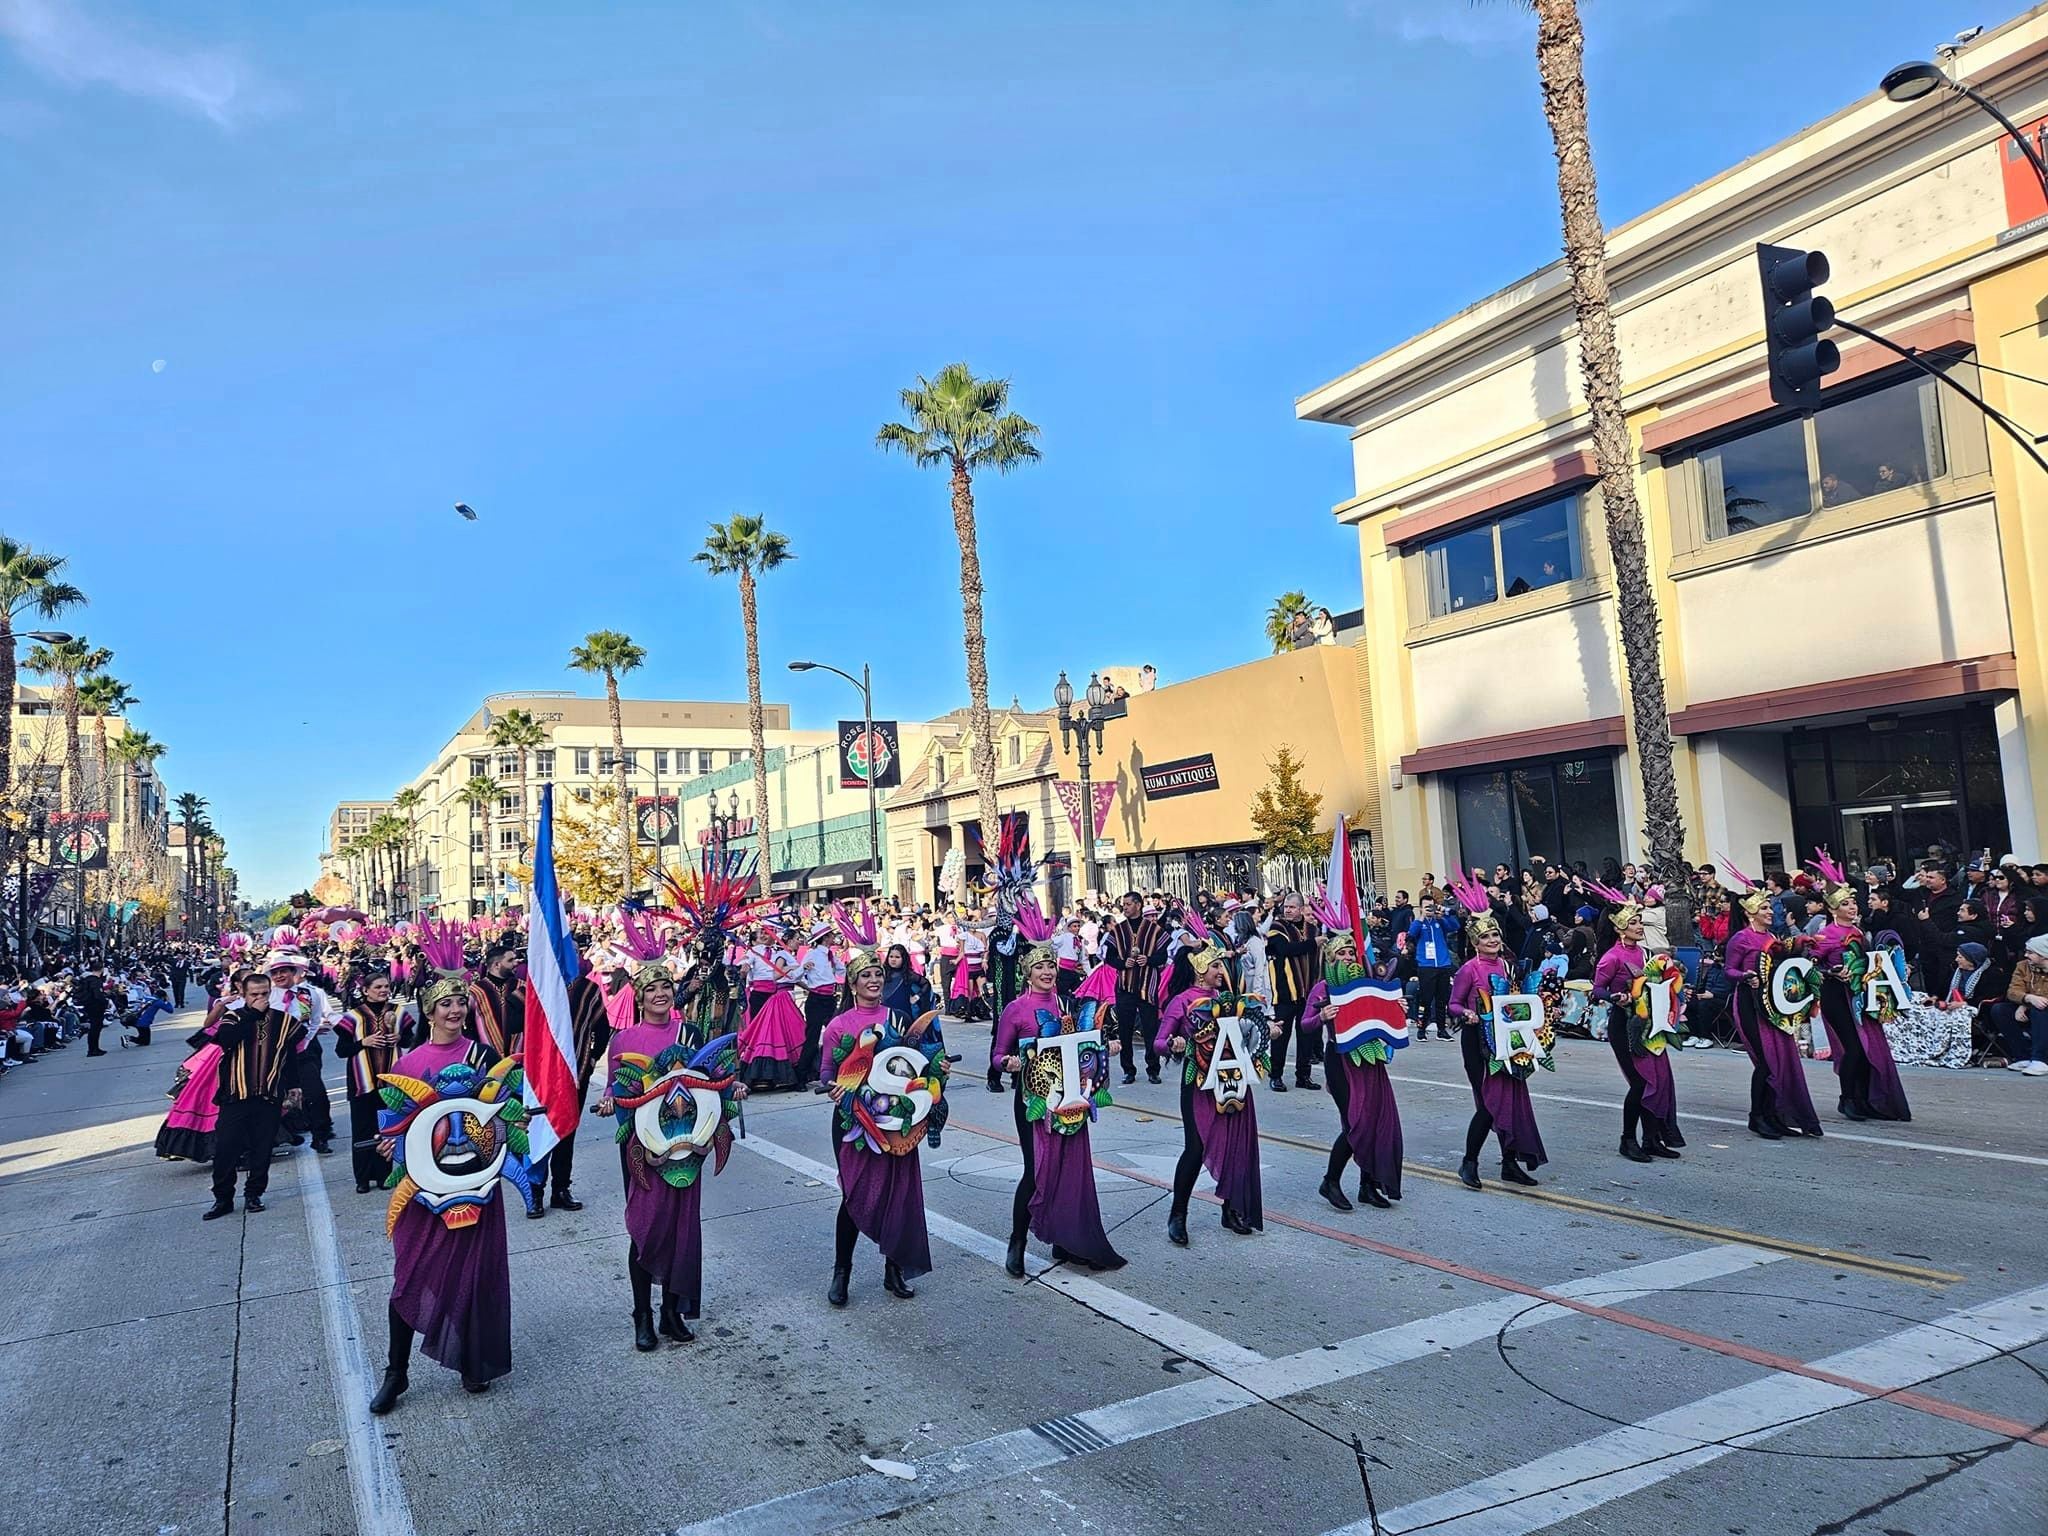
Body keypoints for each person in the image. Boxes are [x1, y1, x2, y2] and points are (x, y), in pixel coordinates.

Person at [367, 977, 521, 1413]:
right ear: (429, 1012)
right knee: (411, 1275)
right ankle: (396, 1374)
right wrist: (388, 1144)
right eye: (445, 1004)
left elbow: (504, 1115)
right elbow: (394, 1129)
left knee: (477, 1272)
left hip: (476, 1186)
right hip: (423, 1193)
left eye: (460, 1003)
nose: (454, 1011)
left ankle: (475, 1362)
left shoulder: (484, 1057)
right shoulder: (409, 1064)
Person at [597, 963, 745, 1350]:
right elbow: (617, 1087)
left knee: (681, 1227)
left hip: (687, 1144)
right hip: (642, 1147)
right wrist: (608, 1098)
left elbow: (707, 1079)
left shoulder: (688, 1033)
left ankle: (670, 1311)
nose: (660, 994)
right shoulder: (624, 1039)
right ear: (640, 997)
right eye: (651, 989)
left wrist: (733, 1087)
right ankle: (642, 1314)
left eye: (665, 986)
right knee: (646, 1228)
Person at [992, 947, 1125, 1275]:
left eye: (1051, 965)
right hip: (1033, 1103)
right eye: (1040, 966)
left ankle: (1067, 1241)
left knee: (1072, 1172)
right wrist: (1007, 1063)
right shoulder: (1016, 1009)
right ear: (1028, 972)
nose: (1047, 971)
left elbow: (1085, 1045)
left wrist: (1104, 1047)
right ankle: (1017, 1241)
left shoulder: (1067, 1004)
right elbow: (997, 1054)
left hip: (1071, 1100)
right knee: (1036, 1171)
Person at [819, 950, 935, 1305]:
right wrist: (834, 1087)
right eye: (865, 976)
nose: (873, 981)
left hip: (898, 1120)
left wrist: (933, 1080)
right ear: (852, 984)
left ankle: (894, 1268)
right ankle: (842, 1271)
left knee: (899, 1196)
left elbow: (920, 1064)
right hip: (853, 1123)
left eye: (877, 975)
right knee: (854, 1197)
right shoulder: (839, 1025)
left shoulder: (899, 1020)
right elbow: (825, 1072)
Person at [1155, 946, 1276, 1243]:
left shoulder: (1229, 1001)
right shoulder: (1182, 1002)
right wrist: (1174, 1045)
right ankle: (1178, 1214)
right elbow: (1158, 1041)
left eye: (1221, 968)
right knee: (1195, 1149)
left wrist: (1267, 1030)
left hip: (1233, 1083)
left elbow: (1249, 1034)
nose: (1221, 972)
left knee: (1237, 1147)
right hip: (1199, 1085)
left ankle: (1231, 1208)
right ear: (1200, 970)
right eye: (1216, 968)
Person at [1448, 914, 1545, 1191]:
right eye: (1486, 937)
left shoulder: (1507, 966)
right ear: (1476, 943)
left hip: (1507, 1041)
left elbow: (1517, 1001)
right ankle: (1469, 1162)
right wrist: (1466, 1012)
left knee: (1511, 1102)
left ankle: (1509, 1163)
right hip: (1477, 1041)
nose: (1492, 940)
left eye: (1495, 935)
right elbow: (1452, 1004)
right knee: (1491, 1104)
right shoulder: (1469, 969)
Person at [1309, 931, 1404, 1210]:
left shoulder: (1369, 985)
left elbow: (1385, 1021)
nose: (1348, 957)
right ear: (1330, 957)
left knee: (1377, 1121)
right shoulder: (1323, 988)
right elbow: (1304, 1024)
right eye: (1341, 953)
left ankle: (1368, 1185)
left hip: (1370, 1060)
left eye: (1351, 953)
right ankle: (1331, 1181)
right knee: (1356, 1123)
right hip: (1340, 1060)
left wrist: (1398, 1007)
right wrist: (1321, 1016)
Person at [203, 969, 306, 1221]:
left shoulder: (284, 1021)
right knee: (227, 1148)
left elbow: (289, 1055)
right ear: (243, 994)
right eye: (254, 994)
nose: (260, 998)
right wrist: (251, 1014)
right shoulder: (233, 1017)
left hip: (268, 1095)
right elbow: (225, 1040)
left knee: (262, 1149)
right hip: (236, 1095)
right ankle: (223, 1198)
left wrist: (294, 1085)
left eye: (264, 993)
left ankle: (254, 1194)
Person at [1723, 891, 1821, 1139]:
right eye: (1765, 908)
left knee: (1779, 1062)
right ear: (1749, 912)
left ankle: (1775, 1116)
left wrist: (1801, 943)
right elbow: (1729, 970)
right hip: (1749, 1003)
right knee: (1765, 1063)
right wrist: (1745, 976)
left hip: (1774, 1005)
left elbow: (1781, 960)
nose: (1770, 912)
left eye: (1770, 908)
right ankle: (1757, 1117)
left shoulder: (1770, 936)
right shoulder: (1740, 938)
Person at [1593, 907, 1685, 1163]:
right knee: (1641, 1083)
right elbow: (1597, 989)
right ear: (1619, 928)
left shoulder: (1645, 954)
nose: (1639, 926)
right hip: (1625, 1027)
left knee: (1660, 1080)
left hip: (1649, 1026)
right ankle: (1628, 1139)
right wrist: (1615, 997)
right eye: (1633, 923)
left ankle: (1652, 1139)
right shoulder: (1611, 957)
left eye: (1639, 922)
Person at [1812, 887, 1912, 1122]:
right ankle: (1847, 1098)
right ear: (1832, 908)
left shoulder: (1858, 930)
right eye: (1845, 903)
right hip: (1836, 996)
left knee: (1867, 1049)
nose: (1852, 907)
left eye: (1853, 902)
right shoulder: (1827, 934)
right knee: (1854, 1048)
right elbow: (1809, 965)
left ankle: (1865, 1099)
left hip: (1861, 994)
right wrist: (1832, 972)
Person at [332, 970, 407, 1193]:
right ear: (365, 991)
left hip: (391, 1081)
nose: (383, 990)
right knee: (363, 1130)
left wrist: (400, 1038)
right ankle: (362, 1178)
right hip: (362, 1082)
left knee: (386, 1128)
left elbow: (413, 1038)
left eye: (386, 986)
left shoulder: (398, 1012)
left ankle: (384, 1175)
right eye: (378, 987)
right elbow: (341, 1051)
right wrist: (364, 1042)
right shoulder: (353, 1017)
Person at [268, 949, 335, 1155]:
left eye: (284, 971)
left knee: (315, 1094)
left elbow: (315, 1020)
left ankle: (321, 1136)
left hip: (303, 1051)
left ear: (293, 972)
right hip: (275, 1054)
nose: (279, 976)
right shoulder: (268, 996)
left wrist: (305, 1041)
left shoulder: (308, 994)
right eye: (275, 973)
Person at [1101, 891, 1168, 1085]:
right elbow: (1109, 958)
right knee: (1125, 1029)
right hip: (1125, 986)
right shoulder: (1118, 930)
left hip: (1148, 985)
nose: (1125, 907)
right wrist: (1123, 963)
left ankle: (1153, 1069)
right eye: (1124, 904)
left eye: (1128, 904)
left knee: (1150, 1029)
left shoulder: (1154, 930)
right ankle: (1128, 1069)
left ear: (1138, 905)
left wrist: (1148, 959)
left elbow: (1163, 957)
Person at [1264, 893, 1321, 1092]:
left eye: (1292, 907)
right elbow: (1285, 949)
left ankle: (1303, 1076)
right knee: (1281, 1035)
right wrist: (1314, 943)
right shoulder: (1277, 927)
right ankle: (1276, 1076)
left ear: (1301, 909)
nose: (1287, 910)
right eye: (1286, 906)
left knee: (1307, 1035)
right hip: (1286, 991)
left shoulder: (1312, 929)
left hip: (1308, 991)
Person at [1989, 934, 2048, 1076]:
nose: (2026, 955)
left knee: (2040, 1008)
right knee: (1999, 1010)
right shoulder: (2022, 966)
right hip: (2030, 1004)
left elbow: (2042, 1001)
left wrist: (2029, 1003)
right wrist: (2027, 999)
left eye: (2031, 952)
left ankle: (2040, 1059)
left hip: (2042, 1009)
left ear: (2044, 955)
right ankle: (2023, 1056)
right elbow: (2013, 991)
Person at [1407, 898, 1459, 1040]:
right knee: (1426, 999)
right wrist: (1422, 916)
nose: (1430, 909)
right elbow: (1411, 934)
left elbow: (1455, 926)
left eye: (1431, 906)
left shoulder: (1439, 922)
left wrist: (1445, 914)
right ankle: (1421, 1028)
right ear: (1421, 908)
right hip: (1426, 966)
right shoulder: (1419, 923)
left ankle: (1441, 1030)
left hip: (1443, 965)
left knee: (1442, 1000)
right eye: (1426, 906)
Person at [794, 931, 843, 1083]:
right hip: (816, 999)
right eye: (830, 935)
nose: (833, 938)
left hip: (829, 999)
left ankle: (834, 1071)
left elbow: (843, 970)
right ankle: (801, 1077)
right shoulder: (812, 954)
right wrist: (804, 968)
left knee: (838, 1035)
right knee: (812, 1039)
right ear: (825, 938)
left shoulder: (831, 955)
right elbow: (795, 976)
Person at [467, 939, 526, 1057]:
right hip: (487, 1058)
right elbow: (467, 1024)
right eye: (510, 960)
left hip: (521, 1057)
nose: (516, 963)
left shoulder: (523, 987)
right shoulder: (475, 991)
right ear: (497, 965)